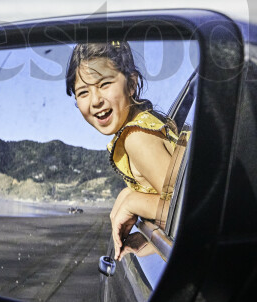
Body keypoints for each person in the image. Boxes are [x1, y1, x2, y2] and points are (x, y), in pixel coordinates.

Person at [65, 41, 177, 260]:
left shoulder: (137, 138)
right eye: (83, 92)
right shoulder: (141, 129)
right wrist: (128, 193)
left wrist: (133, 202)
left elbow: (185, 210)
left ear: (132, 84)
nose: (95, 100)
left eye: (105, 84)